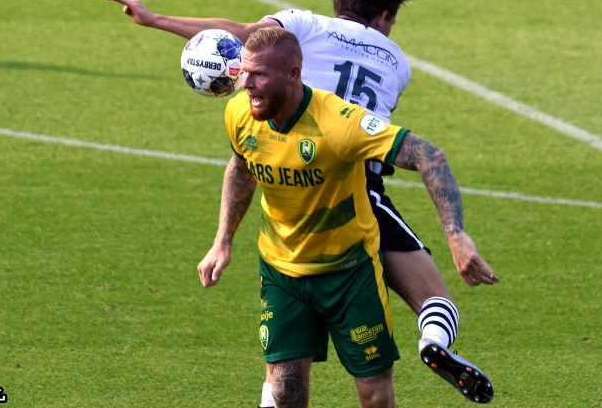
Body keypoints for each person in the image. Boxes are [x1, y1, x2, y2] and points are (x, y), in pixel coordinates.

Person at [104, 0, 498, 406]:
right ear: (385, 16)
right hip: (358, 184)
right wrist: (457, 235)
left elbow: (239, 35)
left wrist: (156, 19)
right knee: (435, 297)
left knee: (287, 367)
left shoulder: (302, 27)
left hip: (294, 174)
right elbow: (418, 151)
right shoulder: (396, 61)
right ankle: (434, 341)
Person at [198, 26, 490, 408]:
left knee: (373, 394)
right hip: (283, 271)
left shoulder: (339, 123)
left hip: (349, 272)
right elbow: (241, 167)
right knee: (285, 392)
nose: (246, 84)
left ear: (293, 74)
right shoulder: (239, 112)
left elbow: (428, 155)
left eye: (259, 75)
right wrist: (223, 240)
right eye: (245, 72)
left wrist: (456, 235)